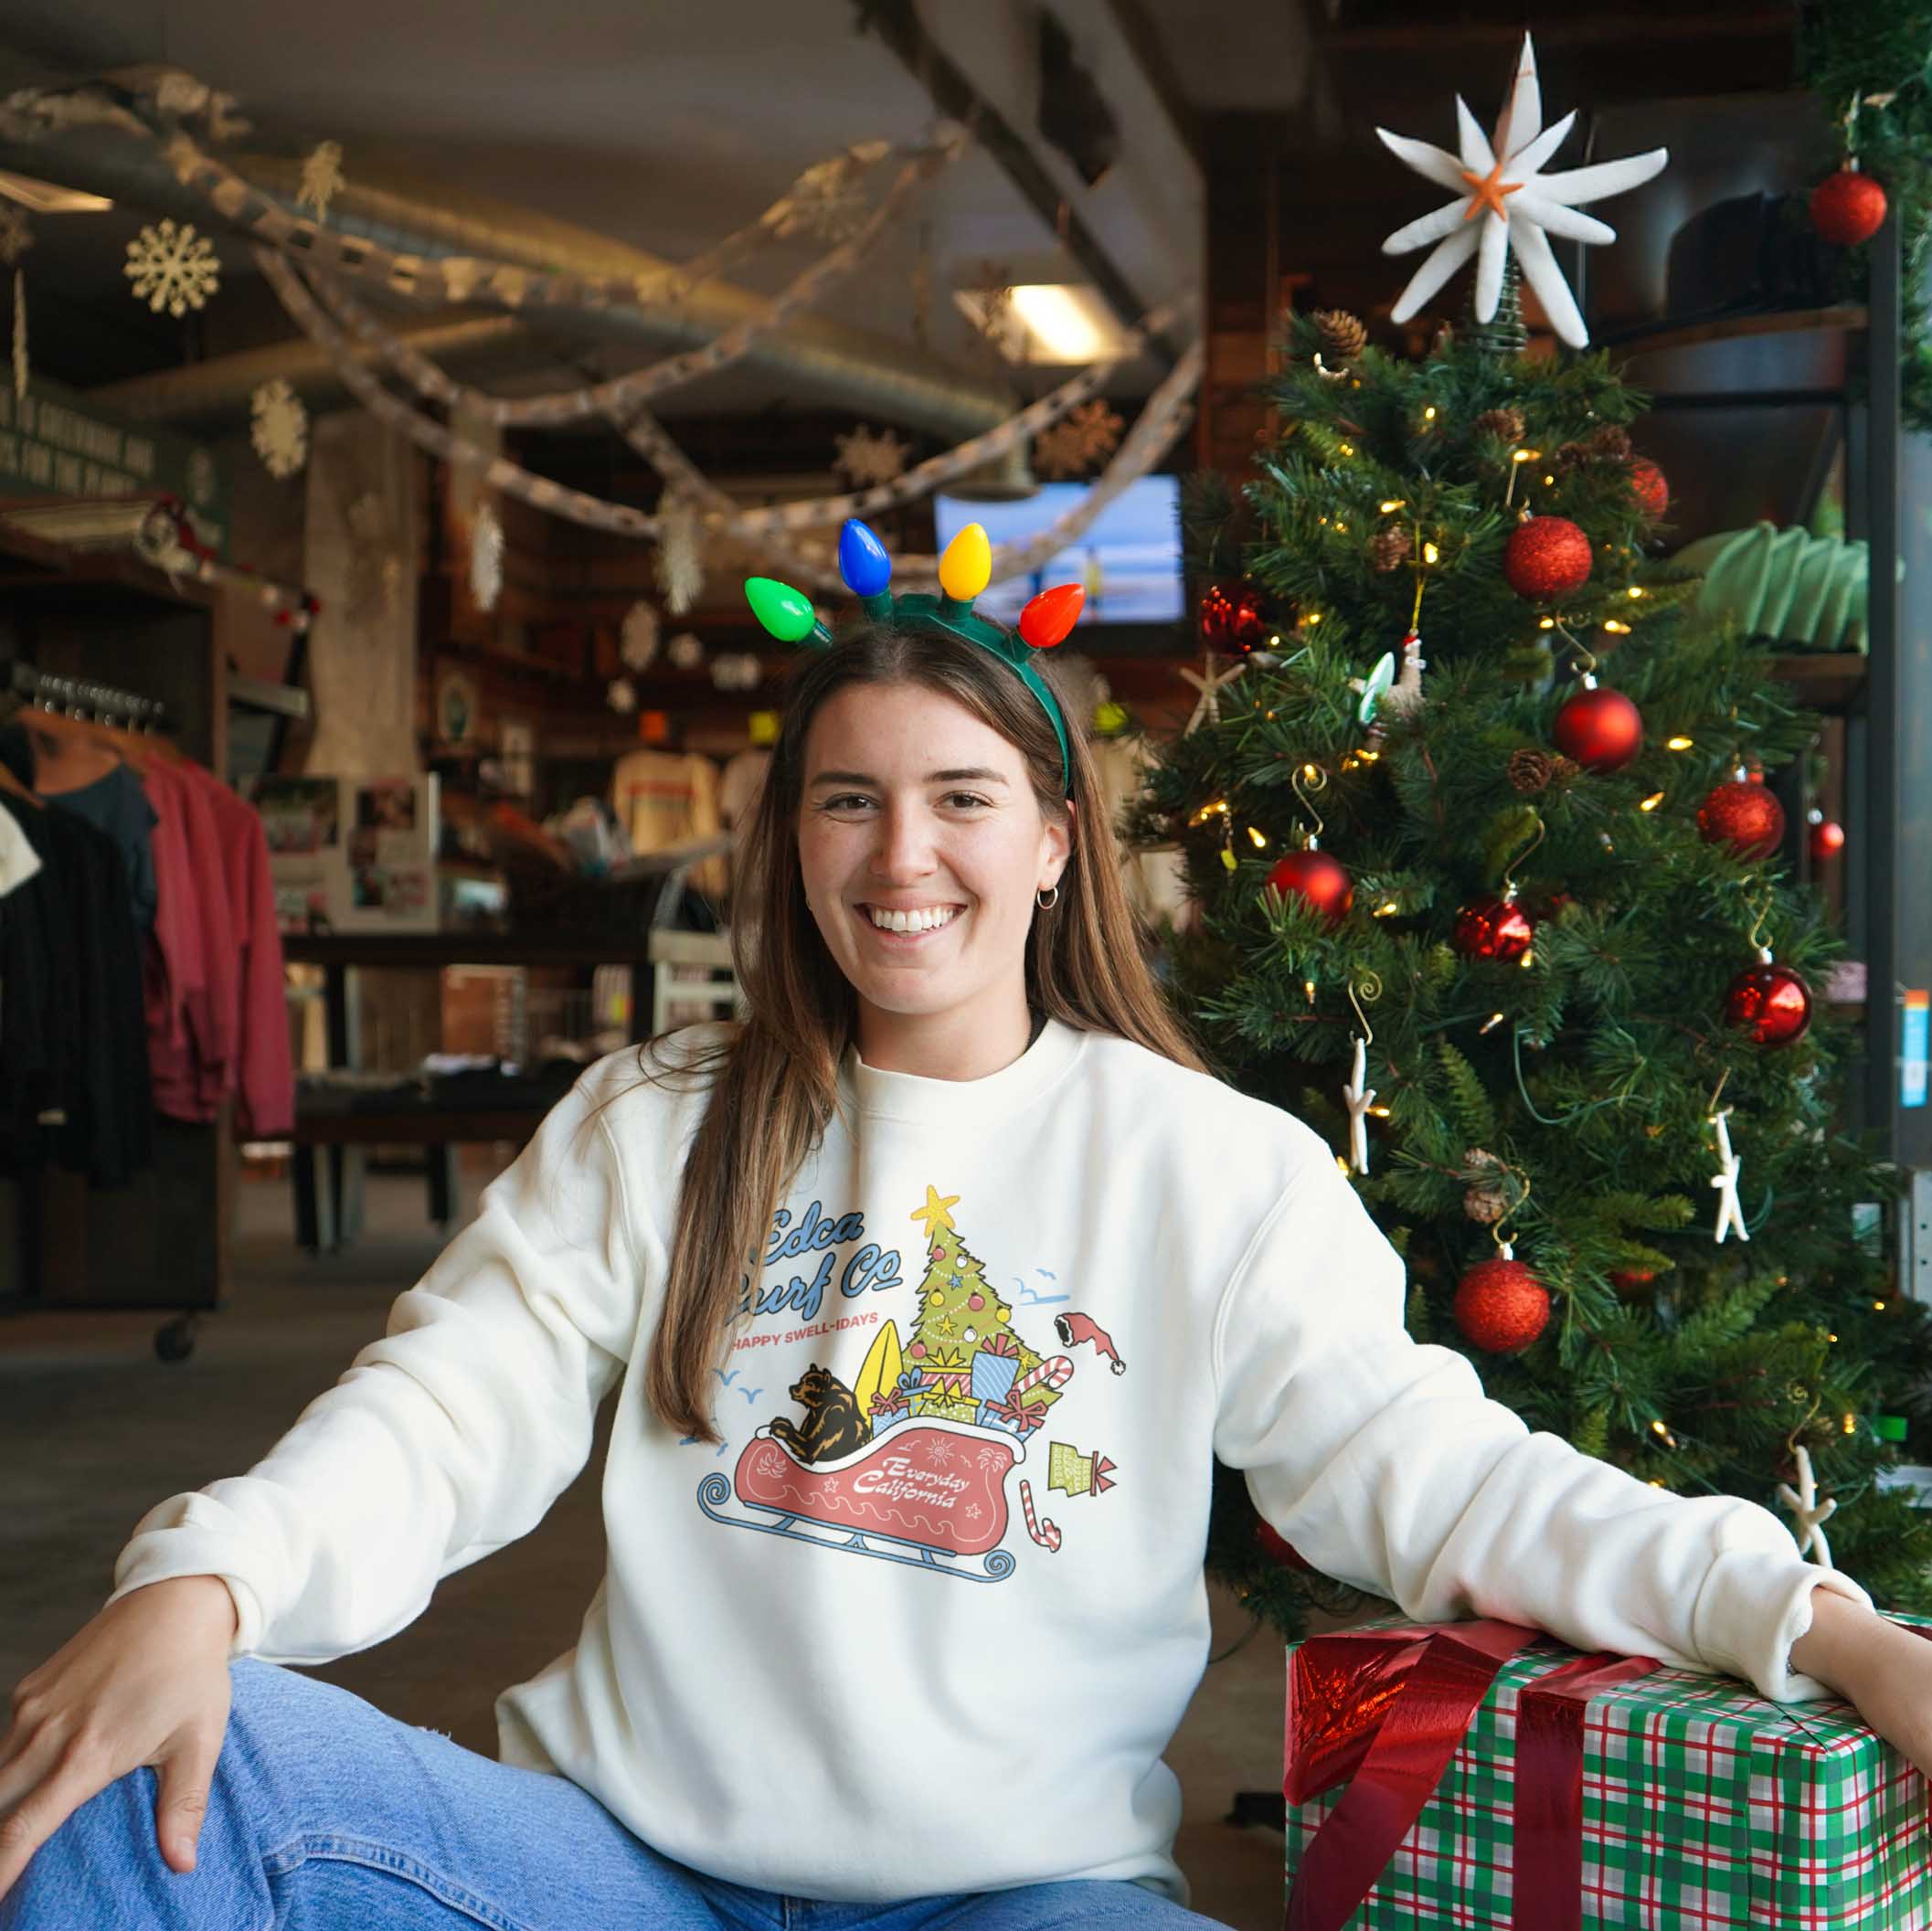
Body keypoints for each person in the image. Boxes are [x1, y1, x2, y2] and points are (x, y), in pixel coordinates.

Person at [3, 523, 1929, 1931]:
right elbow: (443, 1412)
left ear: (1055, 838)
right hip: (612, 1875)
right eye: (847, 800)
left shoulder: (1207, 1166)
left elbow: (1449, 1483)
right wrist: (207, 1582)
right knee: (141, 1769)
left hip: (1023, 1896)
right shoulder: (657, 1121)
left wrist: (1815, 1624)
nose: (900, 854)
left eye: (959, 797)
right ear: (793, 843)